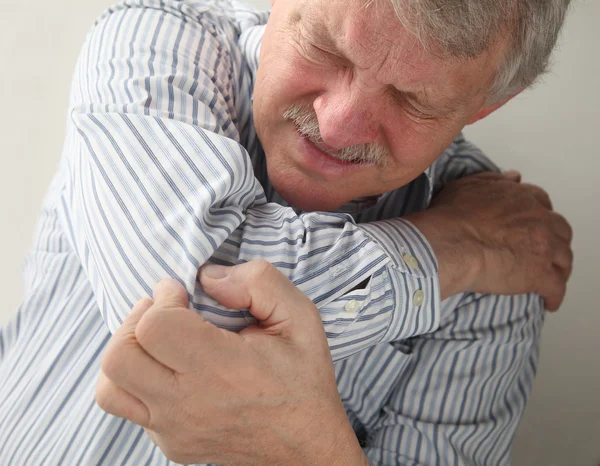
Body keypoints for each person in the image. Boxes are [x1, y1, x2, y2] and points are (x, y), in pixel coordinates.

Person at [0, 0, 573, 463]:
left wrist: (315, 452)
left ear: (488, 103)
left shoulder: (501, 287)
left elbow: (203, 349)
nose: (337, 125)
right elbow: (190, 320)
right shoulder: (154, 44)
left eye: (411, 100)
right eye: (324, 48)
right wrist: (449, 248)